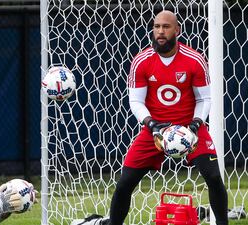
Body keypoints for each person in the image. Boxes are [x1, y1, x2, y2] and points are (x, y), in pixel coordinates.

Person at [72, 10, 228, 225]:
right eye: (156, 27)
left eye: (166, 27)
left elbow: (204, 98)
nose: (160, 32)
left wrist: (195, 124)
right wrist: (151, 124)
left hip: (190, 128)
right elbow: (135, 101)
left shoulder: (195, 59)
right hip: (154, 130)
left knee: (213, 176)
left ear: (177, 30)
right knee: (125, 181)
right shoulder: (141, 61)